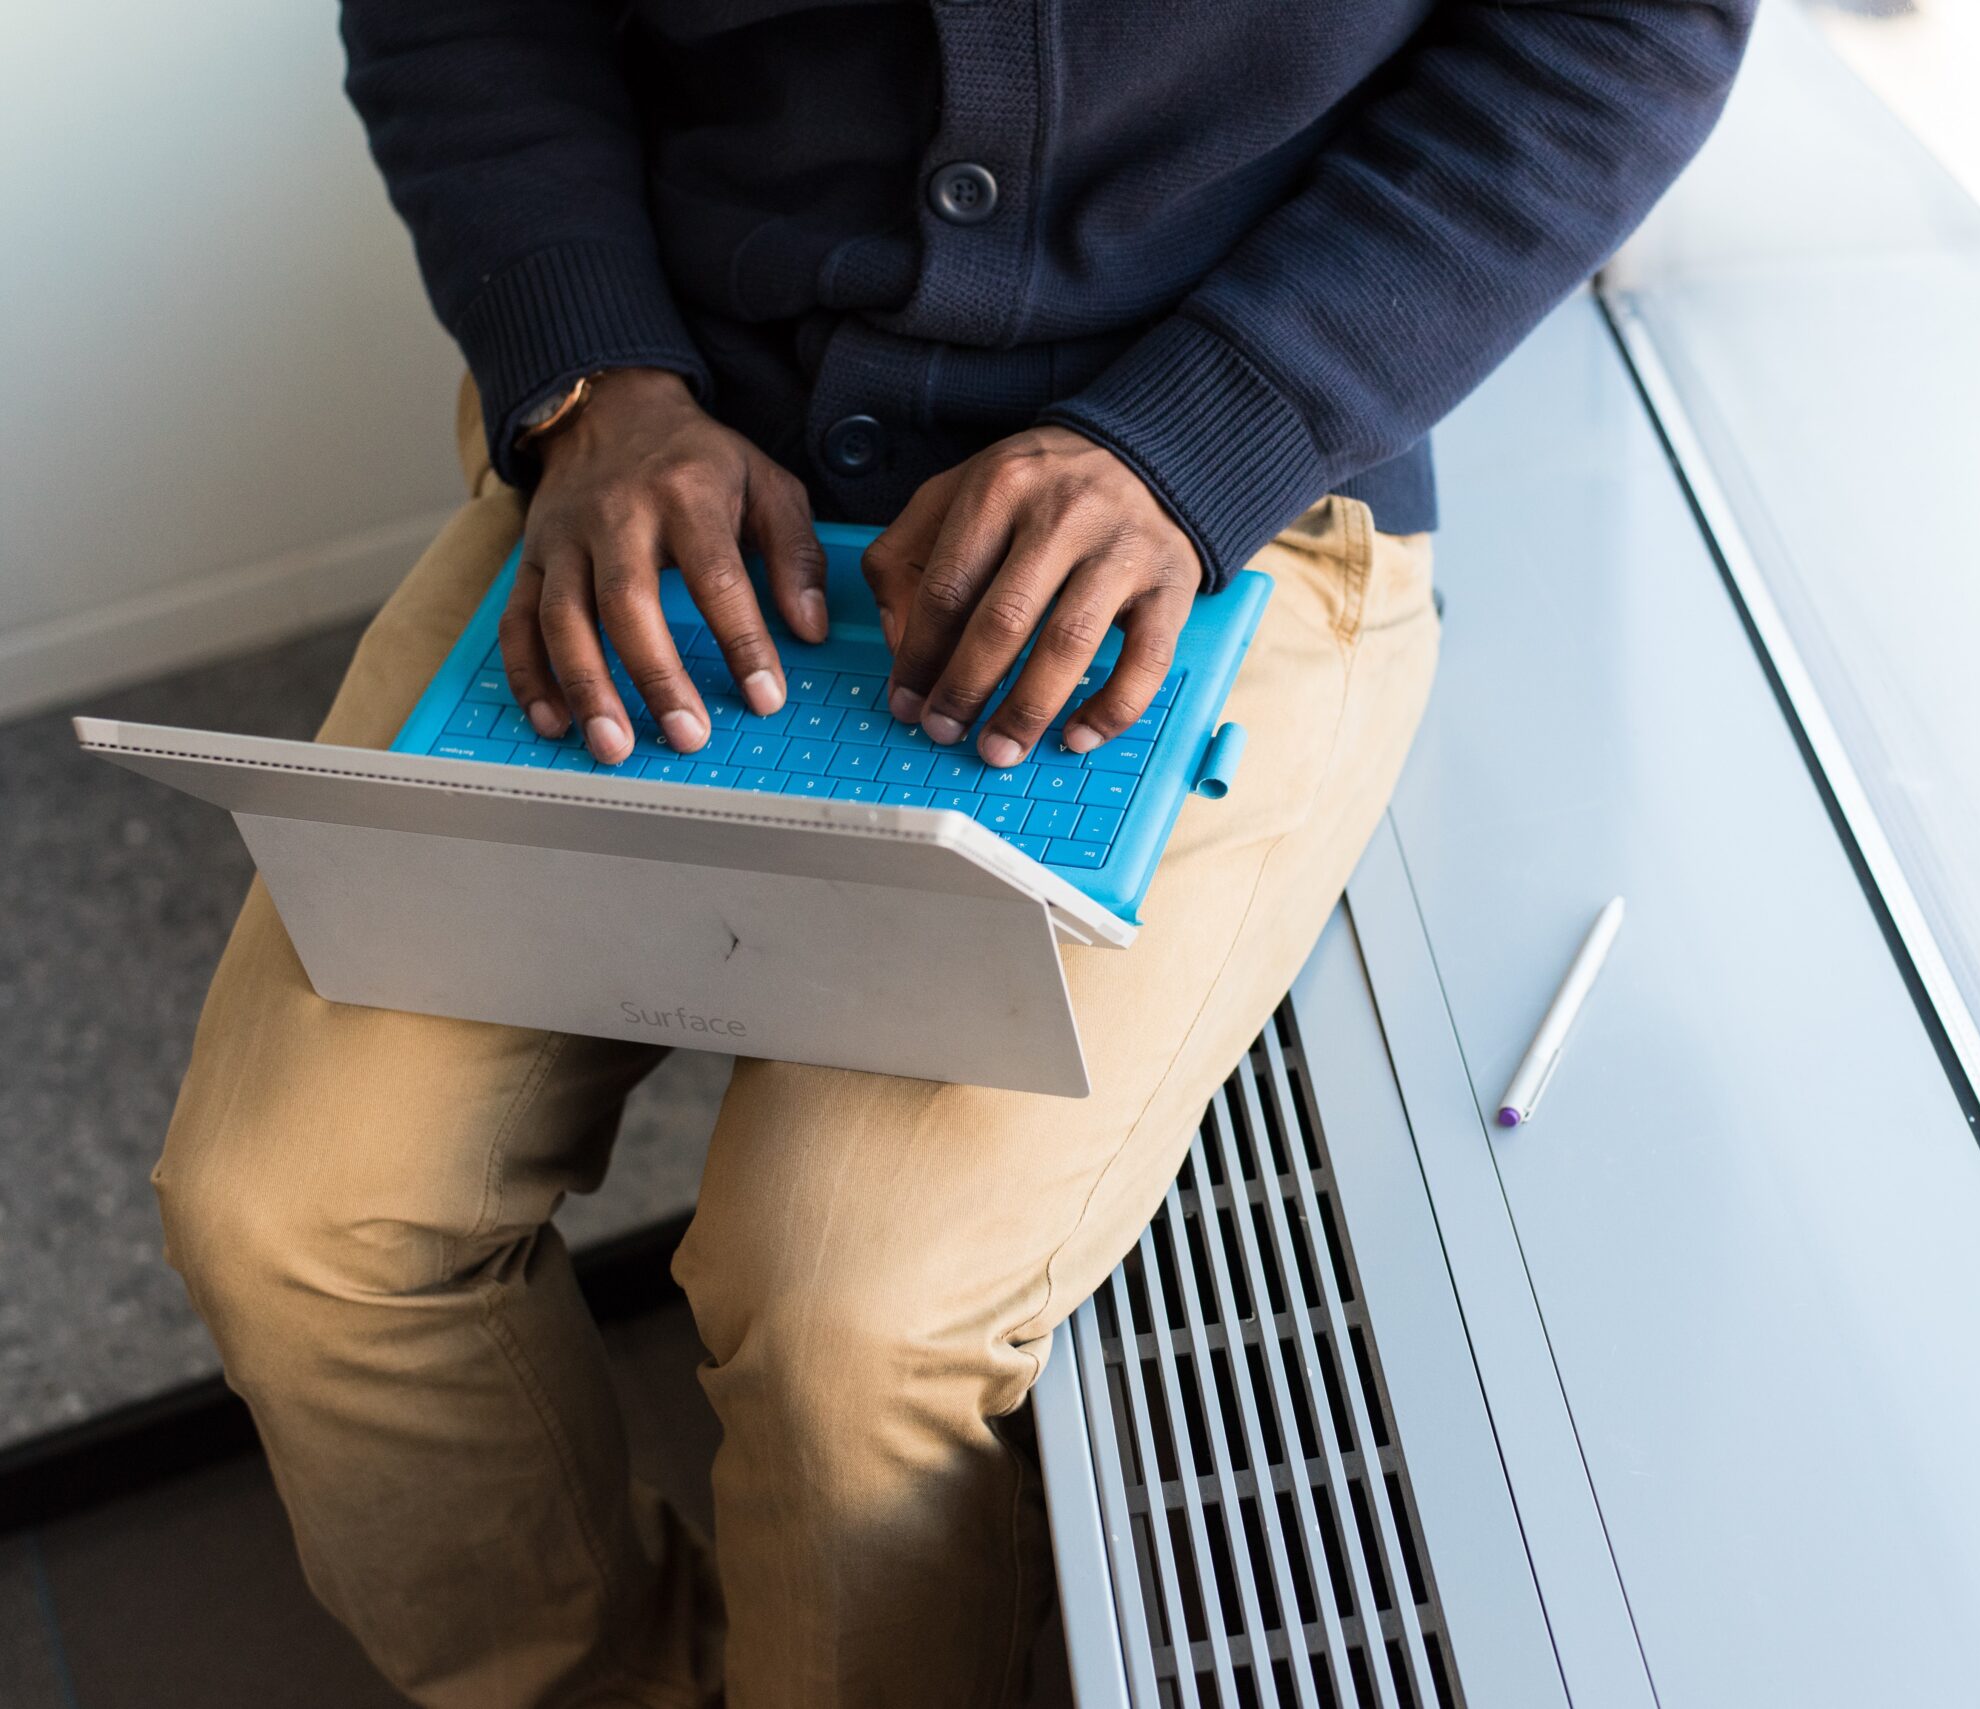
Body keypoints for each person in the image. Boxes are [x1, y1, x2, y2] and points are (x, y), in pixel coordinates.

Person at [154, 3, 1752, 1704]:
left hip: (1221, 489)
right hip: (656, 435)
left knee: (852, 1312)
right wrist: (593, 383)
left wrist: (1205, 430)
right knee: (289, 1210)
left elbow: (1626, 28)